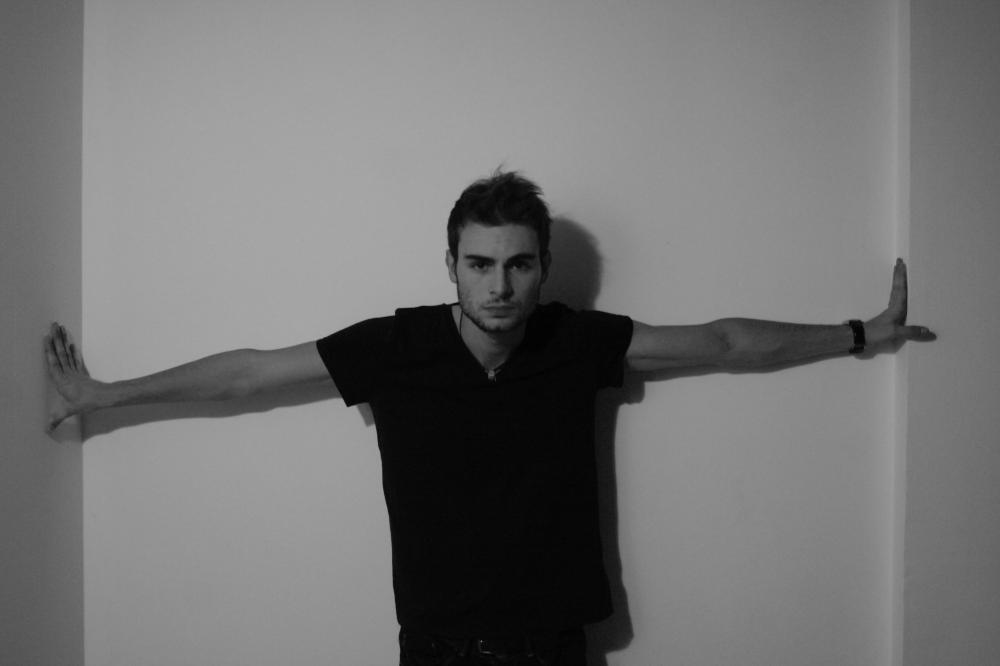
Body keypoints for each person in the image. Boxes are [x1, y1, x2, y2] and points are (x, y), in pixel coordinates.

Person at [44, 171, 934, 666]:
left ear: (543, 266)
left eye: (518, 265)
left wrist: (862, 333)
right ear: (451, 265)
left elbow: (724, 341)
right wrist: (102, 396)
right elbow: (248, 374)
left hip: (553, 647)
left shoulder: (576, 342)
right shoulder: (398, 348)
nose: (499, 286)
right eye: (480, 264)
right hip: (435, 648)